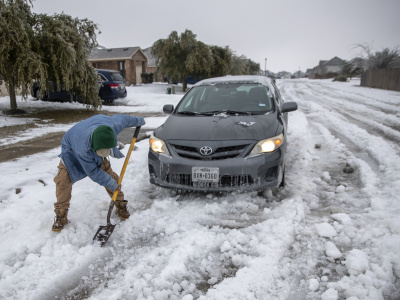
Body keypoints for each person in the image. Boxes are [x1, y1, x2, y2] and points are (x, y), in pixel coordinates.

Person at [52, 114, 145, 232]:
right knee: (62, 181)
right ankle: (61, 215)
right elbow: (94, 173)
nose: (104, 155)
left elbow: (125, 119)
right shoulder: (83, 149)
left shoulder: (111, 125)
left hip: (95, 143)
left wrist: (138, 121)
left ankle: (120, 203)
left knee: (111, 177)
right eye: (101, 153)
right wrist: (111, 184)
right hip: (71, 152)